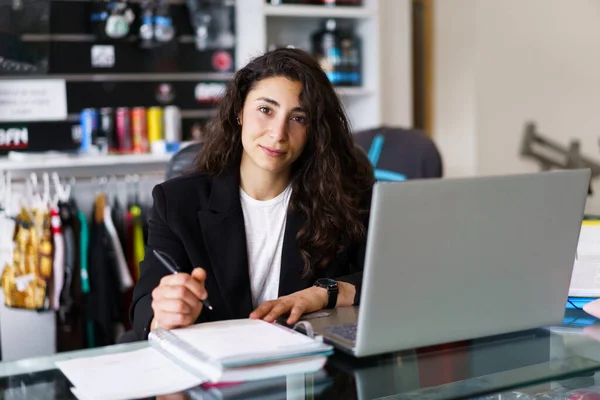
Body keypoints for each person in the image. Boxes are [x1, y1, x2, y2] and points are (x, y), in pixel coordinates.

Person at [130, 48, 375, 340]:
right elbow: (143, 308)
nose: (278, 133)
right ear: (239, 112)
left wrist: (322, 294)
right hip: (216, 369)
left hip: (308, 372)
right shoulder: (177, 201)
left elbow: (386, 278)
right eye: (265, 110)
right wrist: (164, 314)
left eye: (298, 118)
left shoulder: (344, 197)